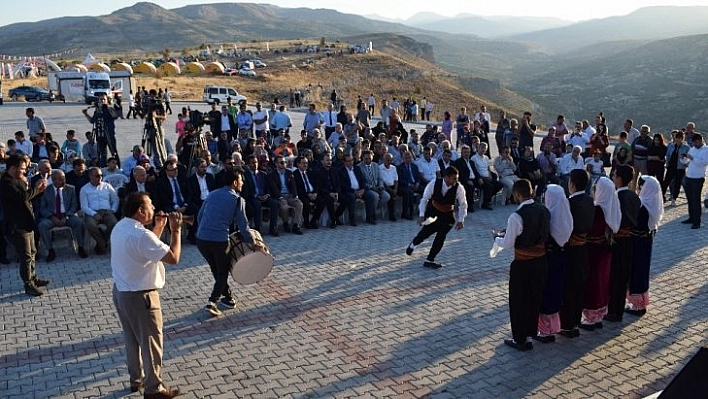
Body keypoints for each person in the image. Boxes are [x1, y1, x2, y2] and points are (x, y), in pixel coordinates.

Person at [111, 192, 183, 398]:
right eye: (150, 205)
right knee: (151, 342)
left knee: (132, 339)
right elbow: (173, 258)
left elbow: (148, 250)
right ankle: (154, 389)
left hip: (122, 292)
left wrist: (158, 228)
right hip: (141, 296)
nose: (154, 208)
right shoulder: (142, 235)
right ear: (140, 211)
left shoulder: (121, 226)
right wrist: (176, 231)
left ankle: (136, 380)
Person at [196, 168, 266, 317]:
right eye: (241, 180)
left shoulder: (212, 194)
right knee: (222, 272)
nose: (242, 183)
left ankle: (228, 298)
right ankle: (212, 302)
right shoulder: (238, 199)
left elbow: (200, 216)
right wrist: (254, 243)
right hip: (219, 241)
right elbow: (243, 226)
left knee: (217, 269)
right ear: (235, 182)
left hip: (201, 239)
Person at [494, 179, 550, 351]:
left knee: (519, 302)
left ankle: (520, 339)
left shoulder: (516, 216)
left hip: (523, 264)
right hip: (541, 261)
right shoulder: (544, 210)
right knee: (534, 299)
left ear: (517, 194)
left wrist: (497, 238)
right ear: (531, 191)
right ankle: (530, 334)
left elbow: (509, 243)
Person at [0, 154, 48, 296]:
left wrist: (40, 190)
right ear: (12, 168)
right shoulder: (6, 183)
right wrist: (37, 188)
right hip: (16, 226)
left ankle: (33, 277)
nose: (24, 171)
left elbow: (29, 198)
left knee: (32, 252)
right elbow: (22, 198)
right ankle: (28, 285)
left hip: (27, 223)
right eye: (21, 169)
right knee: (25, 257)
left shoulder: (18, 180)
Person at [405, 166, 467, 269]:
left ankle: (429, 260)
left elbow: (463, 204)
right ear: (446, 177)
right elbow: (424, 199)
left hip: (448, 216)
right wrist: (421, 215)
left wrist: (461, 220)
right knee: (425, 233)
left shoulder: (459, 187)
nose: (456, 181)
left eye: (457, 178)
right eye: (454, 178)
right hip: (433, 213)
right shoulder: (434, 183)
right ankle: (413, 244)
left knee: (440, 238)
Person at [580, 177, 621, 331]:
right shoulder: (611, 205)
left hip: (593, 251)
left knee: (593, 283)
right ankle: (598, 315)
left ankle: (591, 318)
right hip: (605, 249)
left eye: (596, 188)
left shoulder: (597, 209)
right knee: (602, 281)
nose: (594, 191)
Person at [559, 169, 595, 338]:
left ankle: (566, 325)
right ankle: (575, 322)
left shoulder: (568, 203)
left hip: (570, 249)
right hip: (583, 248)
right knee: (579, 286)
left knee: (569, 288)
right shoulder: (590, 200)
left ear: (571, 184)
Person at [534, 184, 573, 343]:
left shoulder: (548, 216)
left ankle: (545, 331)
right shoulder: (566, 214)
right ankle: (553, 326)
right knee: (556, 290)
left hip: (549, 259)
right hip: (562, 257)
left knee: (546, 291)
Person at [623, 175, 663, 318]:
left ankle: (637, 305)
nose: (639, 188)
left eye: (641, 185)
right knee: (642, 269)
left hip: (637, 243)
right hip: (646, 241)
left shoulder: (642, 205)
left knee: (636, 270)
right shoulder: (652, 202)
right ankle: (640, 302)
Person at [605, 165, 640, 323]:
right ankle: (618, 310)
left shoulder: (617, 197)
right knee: (623, 276)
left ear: (619, 178)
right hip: (630, 240)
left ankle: (612, 311)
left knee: (615, 277)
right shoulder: (634, 196)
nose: (613, 177)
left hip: (617, 240)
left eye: (614, 175)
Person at [37, 169, 88, 262]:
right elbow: (43, 208)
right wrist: (52, 217)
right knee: (42, 226)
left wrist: (67, 216)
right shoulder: (46, 190)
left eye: (63, 178)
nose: (63, 181)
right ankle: (50, 250)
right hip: (52, 216)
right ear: (54, 180)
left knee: (79, 223)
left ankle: (81, 247)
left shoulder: (71, 189)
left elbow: (74, 205)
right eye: (60, 179)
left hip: (67, 215)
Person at [80, 167, 120, 255]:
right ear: (90, 176)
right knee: (90, 225)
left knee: (114, 224)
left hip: (106, 211)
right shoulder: (84, 189)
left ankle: (100, 244)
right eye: (97, 176)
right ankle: (103, 244)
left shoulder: (107, 186)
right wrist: (94, 214)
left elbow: (115, 199)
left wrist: (113, 210)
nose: (100, 178)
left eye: (101, 175)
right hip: (92, 212)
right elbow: (84, 207)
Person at [82, 94, 120, 167]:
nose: (102, 101)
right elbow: (92, 121)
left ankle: (117, 166)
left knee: (113, 152)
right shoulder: (97, 111)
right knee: (102, 154)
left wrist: (107, 107)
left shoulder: (109, 109)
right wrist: (85, 114)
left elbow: (115, 116)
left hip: (109, 135)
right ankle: (103, 167)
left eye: (104, 99)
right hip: (100, 135)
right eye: (101, 99)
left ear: (107, 100)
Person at [681, 133, 708, 229]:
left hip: (698, 178)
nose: (694, 144)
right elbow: (686, 162)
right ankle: (691, 218)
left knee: (696, 200)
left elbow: (704, 162)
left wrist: (693, 158)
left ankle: (697, 222)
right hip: (689, 176)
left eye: (695, 142)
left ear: (700, 140)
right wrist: (683, 158)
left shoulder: (706, 150)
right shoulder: (692, 149)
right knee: (690, 199)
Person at [663, 131, 689, 205]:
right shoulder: (671, 145)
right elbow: (668, 155)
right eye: (677, 138)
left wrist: (685, 162)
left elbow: (688, 159)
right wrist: (667, 162)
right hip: (671, 166)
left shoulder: (686, 147)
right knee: (666, 182)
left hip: (680, 167)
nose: (678, 140)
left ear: (683, 139)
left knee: (677, 184)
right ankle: (662, 196)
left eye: (680, 138)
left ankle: (674, 199)